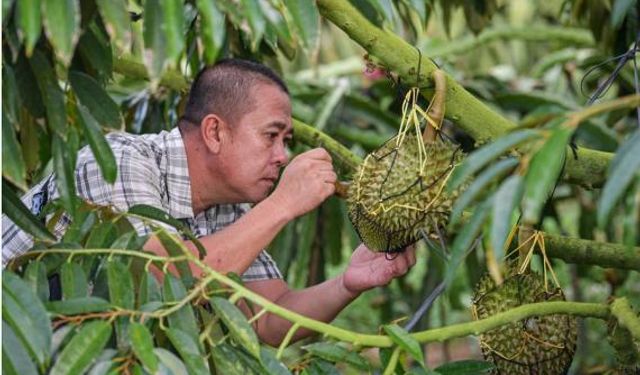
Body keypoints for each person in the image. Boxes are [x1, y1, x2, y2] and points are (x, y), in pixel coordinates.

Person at [2, 58, 416, 346]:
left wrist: (349, 282)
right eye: (271, 136)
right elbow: (158, 280)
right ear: (215, 133)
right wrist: (283, 204)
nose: (282, 156)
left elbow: (269, 319)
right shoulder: (118, 160)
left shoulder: (229, 206)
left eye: (286, 141)